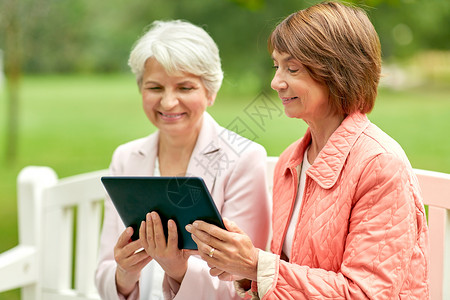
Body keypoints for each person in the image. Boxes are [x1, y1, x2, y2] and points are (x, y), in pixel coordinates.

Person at [186, 2, 430, 299]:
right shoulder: (291, 160)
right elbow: (291, 269)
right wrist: (244, 269)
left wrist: (256, 265)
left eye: (292, 68)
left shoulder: (380, 164)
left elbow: (365, 294)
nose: (276, 82)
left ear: (339, 71)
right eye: (277, 66)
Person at [95, 20, 271, 300]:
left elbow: (244, 283)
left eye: (185, 88)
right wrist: (125, 272)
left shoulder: (244, 158)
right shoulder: (126, 158)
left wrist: (178, 270)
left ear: (210, 92)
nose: (167, 103)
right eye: (155, 88)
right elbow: (105, 271)